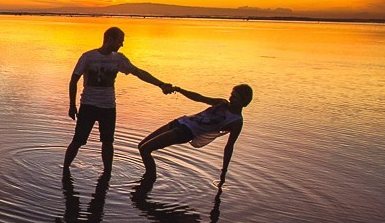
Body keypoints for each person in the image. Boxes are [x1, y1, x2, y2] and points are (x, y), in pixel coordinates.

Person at [64, 27, 173, 173]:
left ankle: (107, 172)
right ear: (110, 39)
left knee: (108, 142)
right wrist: (72, 105)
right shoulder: (88, 57)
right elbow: (73, 81)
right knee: (78, 140)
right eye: (120, 41)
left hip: (108, 107)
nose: (121, 44)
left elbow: (139, 73)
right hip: (88, 105)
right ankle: (65, 171)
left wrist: (160, 84)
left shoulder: (119, 59)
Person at [137, 83, 253, 183]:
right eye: (231, 95)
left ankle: (150, 179)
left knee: (145, 149)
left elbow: (229, 146)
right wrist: (179, 90)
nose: (231, 99)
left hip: (186, 132)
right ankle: (147, 180)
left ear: (244, 102)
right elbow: (199, 97)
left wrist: (224, 170)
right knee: (141, 145)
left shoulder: (236, 121)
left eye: (235, 98)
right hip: (179, 122)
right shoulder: (221, 103)